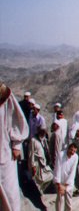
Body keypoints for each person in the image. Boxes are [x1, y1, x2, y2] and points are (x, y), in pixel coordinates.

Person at [0, 82, 29, 211]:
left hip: (4, 153)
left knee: (9, 193)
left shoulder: (4, 94)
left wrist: (16, 144)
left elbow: (16, 119)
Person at [53, 143, 79, 211]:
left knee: (69, 202)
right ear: (68, 148)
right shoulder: (61, 155)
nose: (72, 152)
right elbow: (57, 169)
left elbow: (72, 172)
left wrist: (65, 186)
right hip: (60, 182)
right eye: (71, 150)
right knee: (59, 200)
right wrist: (59, 185)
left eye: (74, 151)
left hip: (68, 183)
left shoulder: (75, 157)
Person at [29, 123, 53, 194]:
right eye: (42, 131)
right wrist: (32, 166)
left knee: (50, 176)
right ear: (38, 131)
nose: (43, 132)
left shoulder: (44, 140)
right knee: (37, 180)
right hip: (36, 164)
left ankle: (40, 191)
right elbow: (31, 154)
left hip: (43, 163)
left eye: (44, 131)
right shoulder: (33, 140)